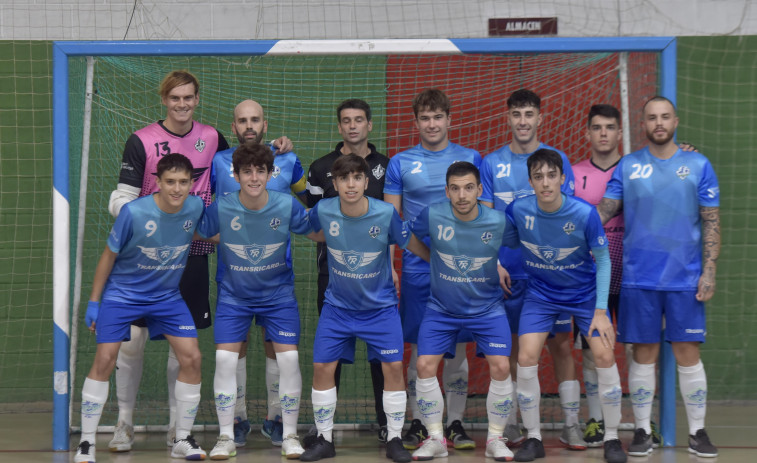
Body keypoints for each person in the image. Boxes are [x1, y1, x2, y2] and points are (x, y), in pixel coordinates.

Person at [106, 70, 229, 451]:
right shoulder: (142, 140)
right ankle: (124, 423)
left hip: (191, 255)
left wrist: (278, 146)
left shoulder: (212, 139)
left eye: (188, 97)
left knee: (184, 344)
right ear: (164, 99)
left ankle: (180, 429)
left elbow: (240, 172)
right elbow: (119, 199)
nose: (181, 104)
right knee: (133, 343)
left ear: (197, 99)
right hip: (143, 260)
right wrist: (151, 225)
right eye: (174, 98)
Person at [598, 96, 720, 458]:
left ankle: (697, 432)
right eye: (652, 117)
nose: (659, 123)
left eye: (665, 116)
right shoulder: (629, 166)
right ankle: (640, 431)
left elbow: (711, 219)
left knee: (687, 353)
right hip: (639, 278)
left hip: (685, 278)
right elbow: (605, 209)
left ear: (676, 120)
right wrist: (568, 222)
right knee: (643, 355)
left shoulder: (698, 164)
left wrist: (709, 270)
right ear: (644, 123)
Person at [75, 154, 207, 463]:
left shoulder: (196, 207)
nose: (177, 189)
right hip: (123, 296)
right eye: (170, 182)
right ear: (157, 183)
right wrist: (94, 302)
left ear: (192, 184)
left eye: (184, 182)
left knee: (192, 357)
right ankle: (86, 443)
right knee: (106, 359)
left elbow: (214, 231)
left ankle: (182, 439)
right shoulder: (133, 213)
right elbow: (108, 256)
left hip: (167, 298)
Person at [300, 154, 428, 463]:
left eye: (357, 178)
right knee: (322, 368)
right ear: (335, 183)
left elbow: (409, 242)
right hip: (338, 309)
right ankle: (325, 438)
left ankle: (395, 438)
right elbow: (311, 230)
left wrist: (440, 262)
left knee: (393, 368)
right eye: (344, 178)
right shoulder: (325, 209)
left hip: (380, 309)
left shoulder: (385, 213)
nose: (351, 184)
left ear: (366, 182)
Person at [502, 149, 626, 463]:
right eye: (538, 177)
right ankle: (534, 438)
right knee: (527, 357)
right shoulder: (518, 210)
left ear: (563, 179)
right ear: (530, 181)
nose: (545, 183)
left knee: (603, 353)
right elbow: (508, 241)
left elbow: (603, 262)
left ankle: (611, 438)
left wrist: (601, 311)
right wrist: (496, 264)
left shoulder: (584, 214)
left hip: (584, 297)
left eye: (551, 175)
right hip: (540, 295)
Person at [197, 142, 316, 460]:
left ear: (269, 173)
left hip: (278, 297)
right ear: (235, 175)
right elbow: (195, 230)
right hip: (234, 297)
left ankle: (290, 434)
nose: (253, 177)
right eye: (246, 171)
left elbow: (318, 229)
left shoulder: (286, 204)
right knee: (224, 360)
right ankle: (225, 437)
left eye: (259, 171)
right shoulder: (221, 206)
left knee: (289, 360)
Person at [480, 89, 583, 450]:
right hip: (506, 274)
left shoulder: (557, 161)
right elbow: (486, 220)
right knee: (509, 351)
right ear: (507, 118)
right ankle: (509, 425)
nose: (522, 121)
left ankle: (571, 424)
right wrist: (492, 262)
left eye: (528, 114)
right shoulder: (491, 163)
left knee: (561, 345)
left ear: (540, 117)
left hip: (548, 277)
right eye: (516, 114)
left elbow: (566, 216)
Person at [384, 89, 482, 451]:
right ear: (416, 123)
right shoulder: (400, 163)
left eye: (438, 117)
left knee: (456, 350)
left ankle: (454, 422)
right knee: (419, 348)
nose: (432, 124)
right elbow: (393, 222)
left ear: (449, 120)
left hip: (461, 271)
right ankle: (419, 421)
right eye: (425, 118)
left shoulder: (470, 158)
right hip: (417, 270)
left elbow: (481, 216)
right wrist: (389, 266)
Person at [210, 99, 304, 448]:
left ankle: (278, 418)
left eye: (255, 120)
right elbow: (206, 216)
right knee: (234, 350)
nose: (249, 126)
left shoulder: (288, 160)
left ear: (266, 124)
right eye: (242, 121)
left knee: (277, 350)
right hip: (234, 275)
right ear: (232, 127)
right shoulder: (219, 162)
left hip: (277, 277)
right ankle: (235, 419)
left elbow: (308, 200)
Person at [407, 161, 515, 462]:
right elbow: (407, 237)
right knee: (425, 365)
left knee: (502, 367)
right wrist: (432, 258)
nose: (462, 195)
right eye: (455, 188)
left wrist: (497, 263)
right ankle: (436, 438)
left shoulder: (497, 220)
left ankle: (495, 438)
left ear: (480, 190)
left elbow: (519, 244)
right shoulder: (433, 214)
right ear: (447, 191)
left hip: (487, 307)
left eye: (469, 187)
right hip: (441, 308)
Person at [305, 98, 391, 442]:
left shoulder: (387, 165)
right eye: (346, 120)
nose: (353, 125)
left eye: (359, 120)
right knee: (330, 355)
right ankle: (323, 429)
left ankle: (388, 424)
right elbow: (314, 224)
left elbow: (391, 219)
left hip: (378, 278)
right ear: (339, 127)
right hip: (334, 275)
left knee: (381, 355)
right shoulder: (319, 167)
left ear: (370, 125)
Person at [571, 104, 625, 447]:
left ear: (620, 133)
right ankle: (595, 419)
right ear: (588, 133)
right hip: (592, 276)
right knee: (592, 349)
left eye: (610, 127)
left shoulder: (635, 168)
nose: (603, 133)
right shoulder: (574, 174)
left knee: (638, 347)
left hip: (632, 272)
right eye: (597, 127)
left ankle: (642, 420)